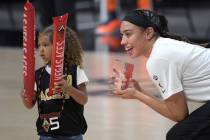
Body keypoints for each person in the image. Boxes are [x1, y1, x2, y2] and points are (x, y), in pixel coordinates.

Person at [111, 9, 210, 140]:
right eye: (122, 35)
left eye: (128, 34)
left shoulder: (159, 58)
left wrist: (137, 95)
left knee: (179, 136)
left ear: (148, 33)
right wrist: (139, 91)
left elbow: (178, 114)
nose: (122, 41)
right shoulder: (163, 49)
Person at [20, 25, 88, 140]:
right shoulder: (37, 75)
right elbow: (30, 104)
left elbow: (83, 99)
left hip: (72, 134)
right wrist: (25, 97)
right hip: (47, 134)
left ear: (59, 47)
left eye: (45, 45)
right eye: (39, 45)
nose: (41, 49)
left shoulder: (75, 71)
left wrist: (69, 89)